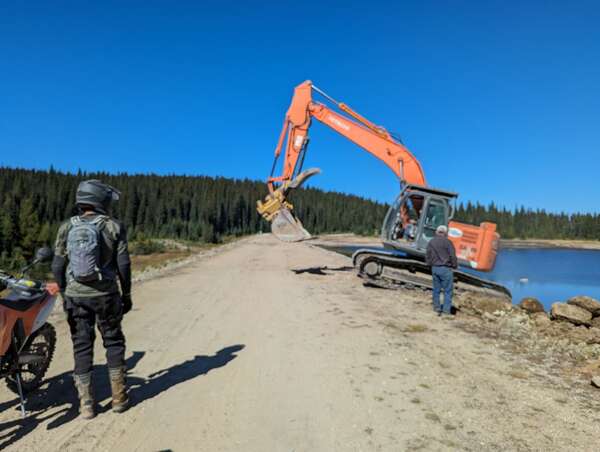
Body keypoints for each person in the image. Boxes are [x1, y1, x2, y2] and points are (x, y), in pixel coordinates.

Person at [52, 180, 132, 419]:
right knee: (113, 342)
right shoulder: (114, 227)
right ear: (101, 201)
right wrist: (126, 293)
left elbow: (57, 265)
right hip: (107, 295)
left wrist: (66, 291)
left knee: (82, 346)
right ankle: (119, 398)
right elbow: (124, 264)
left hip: (76, 296)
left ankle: (86, 405)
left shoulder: (67, 227)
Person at [425, 225, 457, 317]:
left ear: (436, 232)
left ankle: (436, 308)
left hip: (435, 268)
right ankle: (446, 311)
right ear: (446, 233)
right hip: (445, 269)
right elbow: (452, 256)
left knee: (436, 289)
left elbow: (428, 255)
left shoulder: (431, 242)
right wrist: (454, 266)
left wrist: (429, 265)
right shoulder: (448, 242)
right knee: (447, 291)